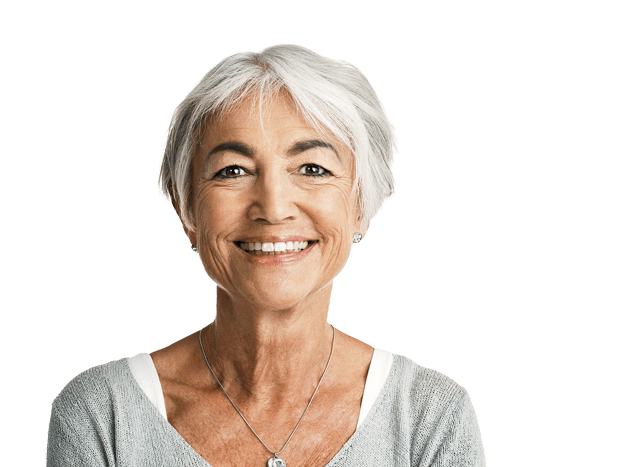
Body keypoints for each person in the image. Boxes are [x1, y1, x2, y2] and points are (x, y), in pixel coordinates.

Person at [46, 43, 486, 467]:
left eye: (313, 168)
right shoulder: (102, 415)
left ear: (361, 207)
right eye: (232, 170)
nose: (273, 208)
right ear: (186, 211)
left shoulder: (429, 416)